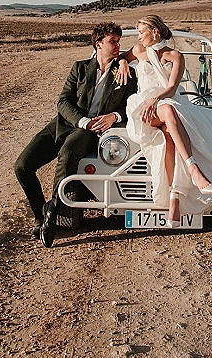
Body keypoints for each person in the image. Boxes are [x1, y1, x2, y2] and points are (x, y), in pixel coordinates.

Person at [120, 15, 212, 229]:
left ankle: (175, 198)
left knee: (170, 136)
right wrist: (124, 62)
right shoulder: (137, 50)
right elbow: (120, 57)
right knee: (169, 111)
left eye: (142, 32)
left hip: (166, 102)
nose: (139, 36)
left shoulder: (175, 55)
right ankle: (193, 168)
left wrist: (157, 99)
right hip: (144, 110)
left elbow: (172, 88)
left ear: (155, 32)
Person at [14, 21, 137, 247]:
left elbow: (132, 107)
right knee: (22, 165)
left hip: (94, 131)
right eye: (113, 41)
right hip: (65, 124)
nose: (118, 45)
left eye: (119, 41)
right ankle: (40, 214)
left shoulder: (126, 73)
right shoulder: (79, 68)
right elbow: (63, 101)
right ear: (98, 44)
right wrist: (82, 121)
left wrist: (114, 117)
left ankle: (53, 213)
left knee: (69, 153)